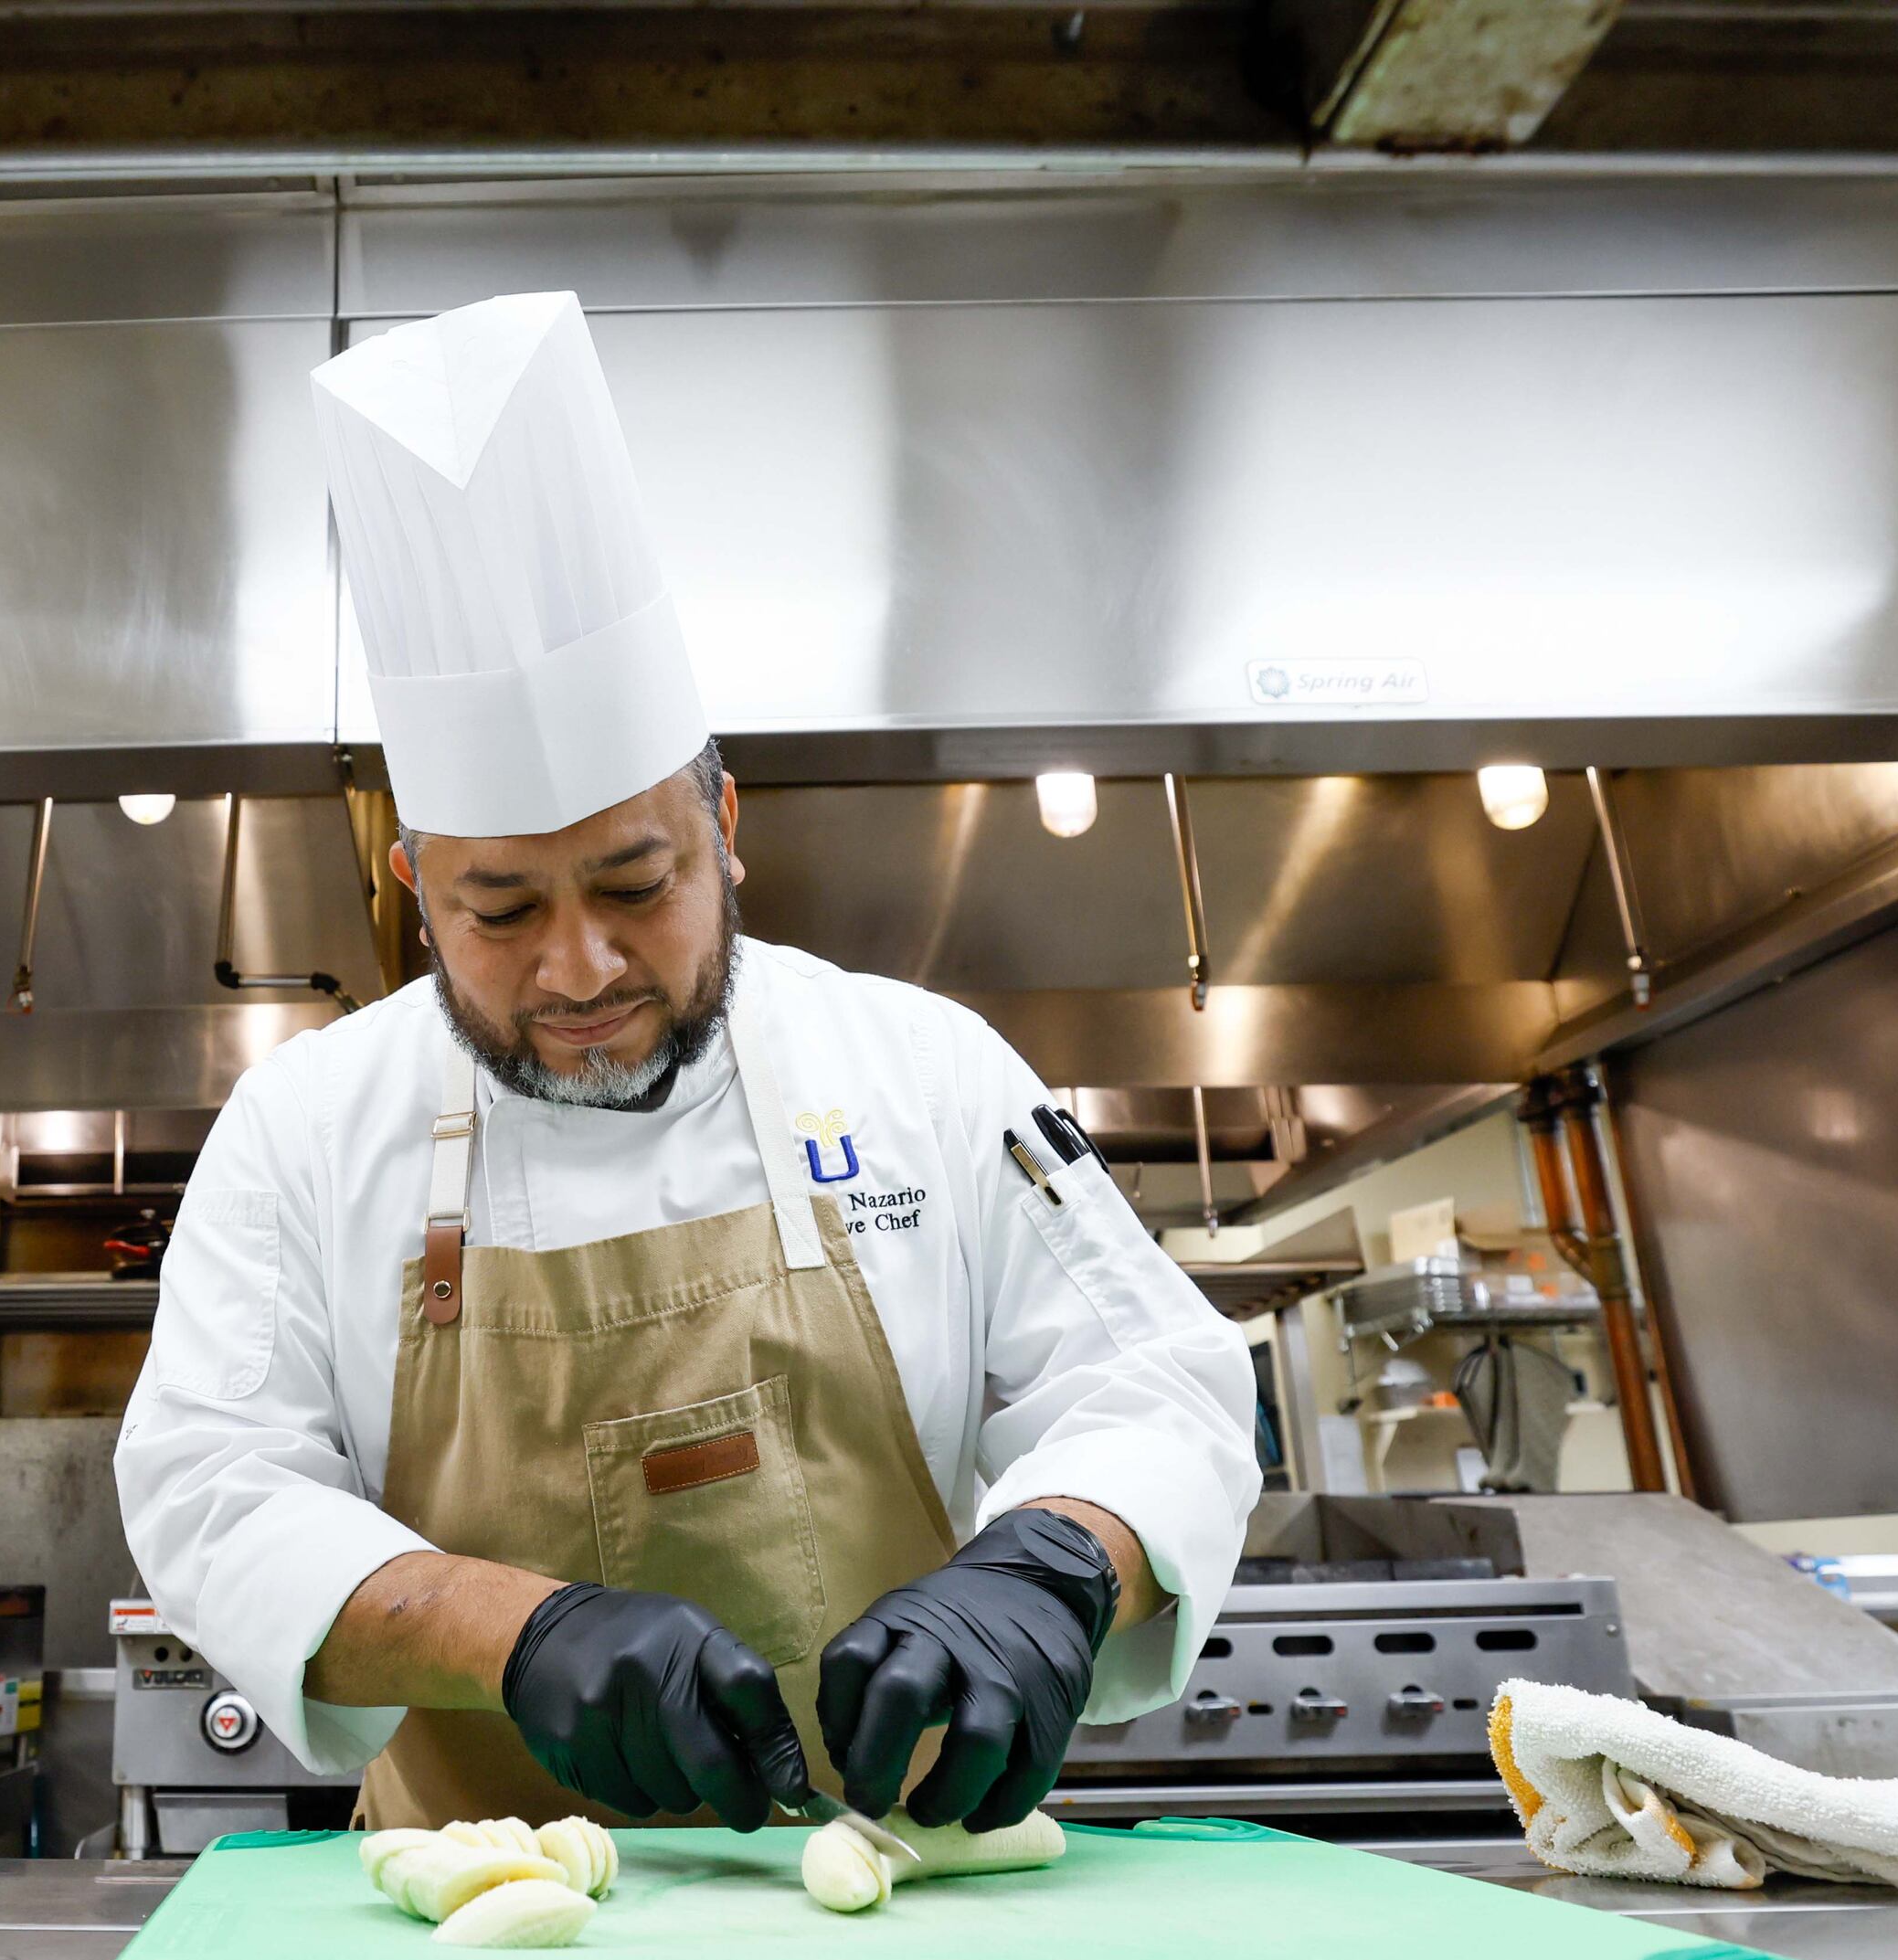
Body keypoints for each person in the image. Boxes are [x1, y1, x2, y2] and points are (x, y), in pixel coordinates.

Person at [115, 291, 1257, 1835]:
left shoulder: (922, 1071)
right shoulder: (310, 1129)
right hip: (488, 1947)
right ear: (414, 892)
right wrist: (513, 1633)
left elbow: (1160, 1388)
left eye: (637, 887)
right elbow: (210, 1489)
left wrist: (1054, 1567)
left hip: (905, 1933)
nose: (577, 970)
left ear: (727, 833)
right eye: (500, 910)